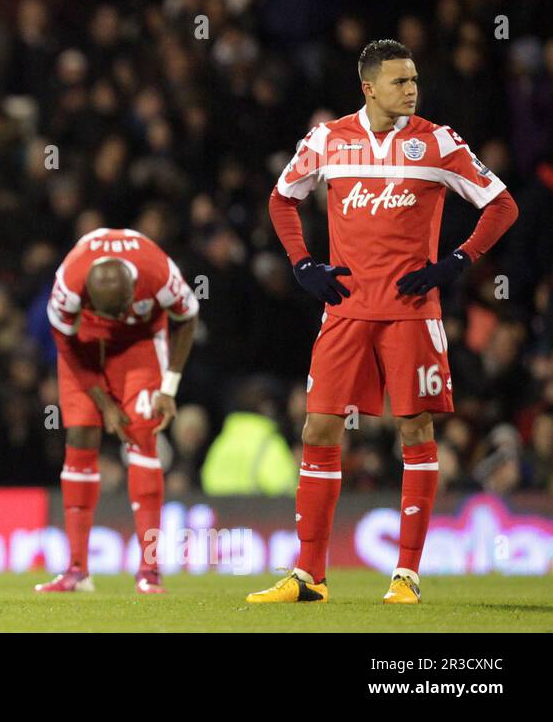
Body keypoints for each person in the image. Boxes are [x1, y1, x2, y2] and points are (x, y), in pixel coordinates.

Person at [253, 39, 519, 604]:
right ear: (368, 87)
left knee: (415, 433)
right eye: (400, 81)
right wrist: (302, 265)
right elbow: (281, 199)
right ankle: (309, 577)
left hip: (411, 313)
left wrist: (457, 262)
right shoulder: (328, 140)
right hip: (344, 310)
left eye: (415, 79)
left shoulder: (438, 142)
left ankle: (406, 576)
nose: (412, 89)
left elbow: (501, 204)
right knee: (318, 430)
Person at [37, 227, 199, 595]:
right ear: (88, 297)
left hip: (141, 345)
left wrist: (169, 387)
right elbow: (63, 342)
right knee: (80, 435)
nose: (118, 316)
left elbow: (189, 316)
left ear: (134, 290)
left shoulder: (158, 272)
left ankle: (150, 570)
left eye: (123, 308)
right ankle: (77, 571)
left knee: (141, 436)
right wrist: (104, 404)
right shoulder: (68, 283)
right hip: (86, 346)